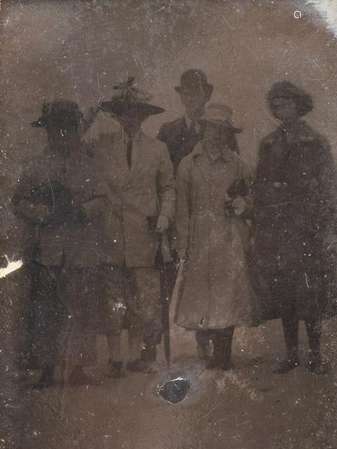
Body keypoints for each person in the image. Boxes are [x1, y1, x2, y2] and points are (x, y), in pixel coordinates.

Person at [12, 100, 117, 386]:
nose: (62, 136)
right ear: (48, 132)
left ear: (75, 131)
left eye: (68, 130)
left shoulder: (89, 163)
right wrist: (42, 213)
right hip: (48, 249)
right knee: (47, 310)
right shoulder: (36, 166)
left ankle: (79, 368)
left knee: (81, 307)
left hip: (81, 248)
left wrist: (81, 211)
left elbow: (103, 199)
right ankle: (46, 368)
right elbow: (18, 201)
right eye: (55, 130)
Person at [253, 81, 337, 374]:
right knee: (285, 290)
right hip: (280, 229)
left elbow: (328, 186)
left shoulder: (316, 142)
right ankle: (291, 354)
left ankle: (315, 353)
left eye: (286, 103)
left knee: (310, 290)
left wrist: (326, 225)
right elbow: (260, 186)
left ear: (299, 106)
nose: (281, 109)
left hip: (309, 227)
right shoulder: (268, 143)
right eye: (276, 105)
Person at [92, 77, 175, 373]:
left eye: (136, 114)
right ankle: (116, 359)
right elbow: (83, 141)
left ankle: (142, 354)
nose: (130, 119)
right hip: (112, 233)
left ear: (144, 117)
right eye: (124, 113)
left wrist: (164, 217)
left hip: (145, 232)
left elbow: (168, 188)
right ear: (117, 116)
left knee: (145, 297)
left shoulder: (158, 149)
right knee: (114, 297)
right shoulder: (102, 146)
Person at [158, 69, 241, 361]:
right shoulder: (170, 135)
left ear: (207, 95)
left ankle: (221, 349)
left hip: (223, 231)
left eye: (199, 93)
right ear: (181, 96)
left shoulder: (232, 153)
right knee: (192, 288)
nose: (193, 99)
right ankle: (197, 341)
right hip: (187, 223)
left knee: (222, 288)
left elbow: (240, 185)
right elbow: (166, 184)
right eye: (187, 93)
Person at [175, 103, 255, 370]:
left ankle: (223, 354)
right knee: (201, 294)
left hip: (228, 235)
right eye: (212, 129)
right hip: (199, 236)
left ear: (228, 134)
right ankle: (204, 343)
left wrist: (243, 204)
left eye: (223, 131)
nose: (217, 135)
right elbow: (182, 208)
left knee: (226, 293)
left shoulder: (238, 164)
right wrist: (182, 245)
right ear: (203, 130)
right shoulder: (188, 164)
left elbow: (253, 196)